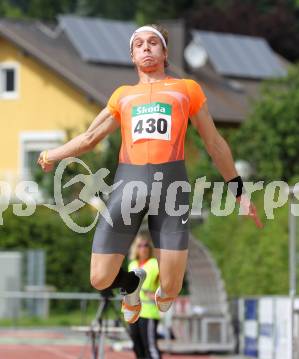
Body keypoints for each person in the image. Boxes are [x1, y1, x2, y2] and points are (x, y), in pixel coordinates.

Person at [37, 24, 263, 325]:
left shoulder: (187, 89)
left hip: (171, 191)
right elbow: (90, 138)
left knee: (170, 288)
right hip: (127, 188)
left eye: (153, 42)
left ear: (165, 52)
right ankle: (130, 286)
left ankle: (161, 296)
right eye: (139, 44)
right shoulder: (123, 96)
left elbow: (215, 143)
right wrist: (52, 154)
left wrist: (238, 190)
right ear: (132, 55)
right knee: (99, 278)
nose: (146, 47)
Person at [124, 232, 163, 359]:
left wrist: (154, 294)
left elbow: (166, 285)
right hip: (133, 311)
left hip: (148, 312)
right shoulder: (132, 265)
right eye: (140, 245)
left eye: (146, 245)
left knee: (150, 348)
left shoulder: (155, 264)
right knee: (137, 348)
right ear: (136, 248)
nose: (143, 248)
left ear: (150, 248)